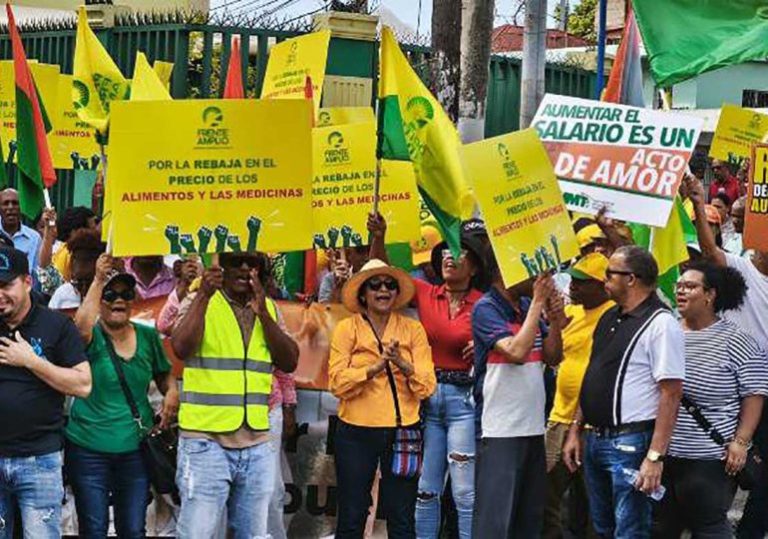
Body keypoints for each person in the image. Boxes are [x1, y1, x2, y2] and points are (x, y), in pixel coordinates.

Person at [367, 212, 486, 539]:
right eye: (445, 251)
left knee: (464, 492)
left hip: (465, 403)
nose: (449, 256)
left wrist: (486, 344)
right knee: (426, 489)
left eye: (459, 252)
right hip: (429, 401)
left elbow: (512, 337)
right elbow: (381, 273)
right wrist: (379, 236)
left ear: (474, 268)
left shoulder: (484, 305)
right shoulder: (425, 293)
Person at [171, 252, 299, 539]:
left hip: (256, 440)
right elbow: (180, 347)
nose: (244, 268)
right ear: (221, 266)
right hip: (205, 439)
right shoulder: (198, 300)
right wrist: (203, 295)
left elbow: (289, 361)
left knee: (254, 534)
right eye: (235, 261)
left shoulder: (268, 307)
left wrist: (263, 314)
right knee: (198, 533)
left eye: (251, 263)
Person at [562, 245, 685, 538]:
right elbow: (594, 376)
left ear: (631, 279)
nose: (604, 280)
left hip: (631, 442)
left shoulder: (661, 323)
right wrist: (576, 430)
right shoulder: (609, 317)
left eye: (609, 274)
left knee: (630, 529)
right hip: (595, 438)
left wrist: (654, 456)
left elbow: (671, 393)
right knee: (602, 527)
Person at [65, 254, 178, 538]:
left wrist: (172, 393)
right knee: (94, 529)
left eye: (126, 294)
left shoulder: (148, 336)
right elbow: (80, 329)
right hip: (88, 449)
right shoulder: (91, 336)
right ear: (99, 301)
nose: (119, 300)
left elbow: (164, 374)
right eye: (110, 295)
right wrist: (98, 279)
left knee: (133, 529)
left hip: (135, 449)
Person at [655, 261, 768, 537]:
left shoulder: (737, 341)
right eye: (679, 285)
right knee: (660, 528)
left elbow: (754, 394)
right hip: (663, 455)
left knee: (708, 527)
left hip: (710, 459)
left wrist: (741, 441)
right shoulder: (664, 333)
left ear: (710, 295)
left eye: (690, 286)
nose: (681, 291)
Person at [329, 259, 436, 538]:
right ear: (363, 294)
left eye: (390, 285)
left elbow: (427, 386)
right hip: (355, 431)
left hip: (403, 431)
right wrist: (374, 368)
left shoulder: (413, 329)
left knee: (402, 518)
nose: (383, 290)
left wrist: (402, 363)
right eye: (375, 285)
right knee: (352, 514)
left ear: (397, 293)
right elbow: (337, 383)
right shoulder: (347, 328)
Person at [686, 175, 768, 537]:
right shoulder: (740, 269)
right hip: (735, 387)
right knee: (728, 462)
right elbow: (710, 252)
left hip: (766, 389)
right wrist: (697, 202)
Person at [0, 246, 91, 537]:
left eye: (6, 285)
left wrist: (32, 362)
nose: (0, 295)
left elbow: (83, 385)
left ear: (27, 282)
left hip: (38, 459)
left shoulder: (56, 325)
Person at [471, 257, 565, 538]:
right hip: (500, 430)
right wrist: (538, 302)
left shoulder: (525, 306)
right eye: (531, 271)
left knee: (528, 520)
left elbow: (552, 356)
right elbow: (516, 352)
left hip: (533, 426)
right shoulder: (486, 308)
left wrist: (554, 320)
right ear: (505, 269)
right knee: (495, 523)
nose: (538, 277)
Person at [544, 253, 614, 539]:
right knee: (546, 496)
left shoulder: (614, 314)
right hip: (559, 417)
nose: (573, 286)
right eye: (573, 280)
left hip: (592, 424)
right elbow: (552, 356)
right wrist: (555, 320)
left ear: (602, 285)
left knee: (593, 500)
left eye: (582, 282)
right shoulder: (571, 312)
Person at [49, 229, 105, 310]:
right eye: (75, 258)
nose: (79, 265)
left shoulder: (107, 294)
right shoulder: (63, 293)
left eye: (86, 259)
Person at [157, 257, 201, 336]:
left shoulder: (200, 293)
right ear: (179, 269)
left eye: (196, 268)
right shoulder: (175, 296)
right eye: (190, 266)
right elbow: (162, 325)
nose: (193, 270)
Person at [0, 189, 41, 272]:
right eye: (6, 203)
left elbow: (37, 272)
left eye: (15, 203)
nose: (10, 207)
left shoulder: (34, 238)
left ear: (21, 207)